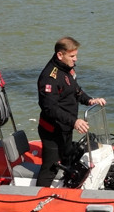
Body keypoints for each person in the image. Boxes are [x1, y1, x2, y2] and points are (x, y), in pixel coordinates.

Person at [35, 37, 106, 187]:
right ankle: (38, 199)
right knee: (50, 168)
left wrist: (89, 100)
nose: (75, 59)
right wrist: (75, 121)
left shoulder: (66, 70)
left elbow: (75, 90)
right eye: (72, 56)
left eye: (76, 55)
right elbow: (49, 108)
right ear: (60, 55)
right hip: (52, 132)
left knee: (68, 159)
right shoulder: (50, 77)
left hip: (65, 127)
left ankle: (65, 190)